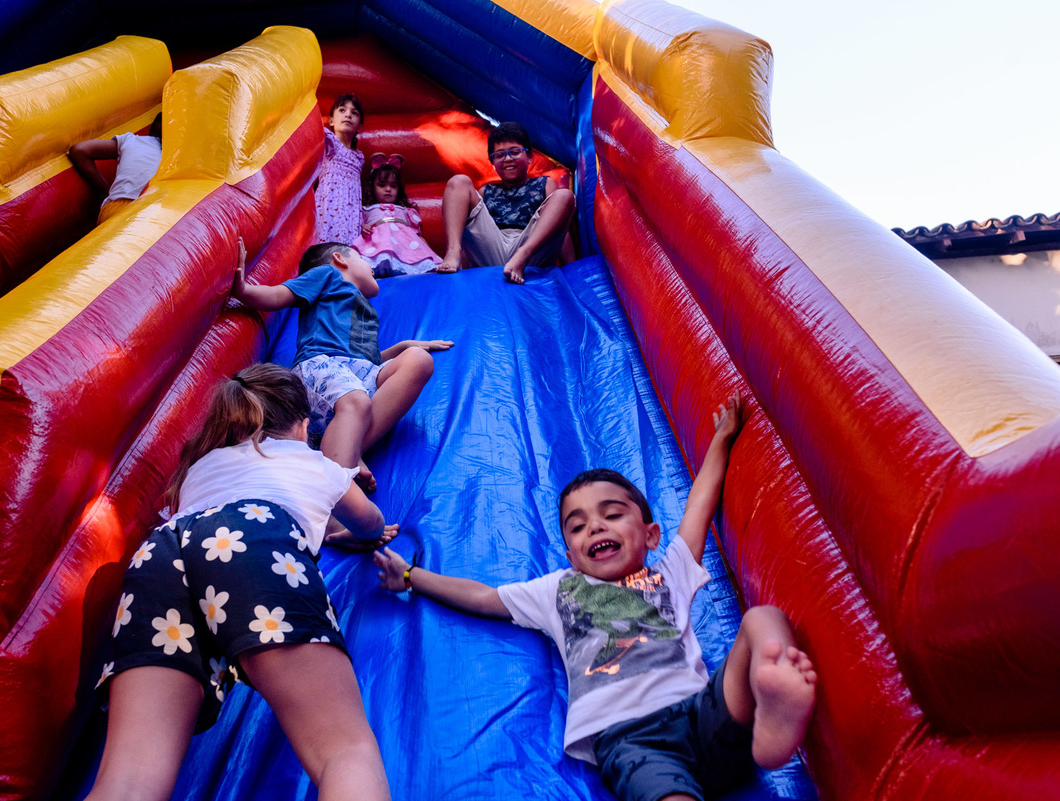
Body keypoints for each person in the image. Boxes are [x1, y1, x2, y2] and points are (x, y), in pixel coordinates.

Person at [374, 396, 818, 801]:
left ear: (650, 535)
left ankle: (772, 703)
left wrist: (721, 440)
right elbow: (484, 596)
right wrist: (411, 576)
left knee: (763, 618)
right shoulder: (558, 589)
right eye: (578, 525)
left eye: (612, 514)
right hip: (632, 738)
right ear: (570, 555)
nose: (596, 527)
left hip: (702, 711)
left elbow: (698, 507)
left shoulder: (671, 573)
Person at [88, 364, 395, 801]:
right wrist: (349, 532)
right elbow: (370, 522)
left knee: (130, 783)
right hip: (251, 539)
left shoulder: (199, 466)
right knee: (345, 751)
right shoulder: (314, 461)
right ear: (303, 426)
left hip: (160, 553)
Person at [231, 238, 452, 493]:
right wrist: (243, 290)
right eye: (363, 259)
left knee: (419, 360)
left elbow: (367, 361)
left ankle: (350, 447)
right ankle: (337, 487)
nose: (371, 267)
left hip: (357, 378)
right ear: (339, 259)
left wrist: (403, 347)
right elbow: (278, 294)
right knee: (357, 400)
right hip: (322, 365)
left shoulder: (366, 310)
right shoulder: (327, 275)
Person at [435, 121, 576, 285]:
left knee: (564, 195)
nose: (508, 159)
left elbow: (559, 229)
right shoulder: (486, 191)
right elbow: (476, 236)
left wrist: (572, 268)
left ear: (529, 157)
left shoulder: (544, 184)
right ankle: (453, 252)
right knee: (459, 181)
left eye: (515, 152)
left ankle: (521, 256)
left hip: (530, 252)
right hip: (493, 250)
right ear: (493, 162)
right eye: (500, 155)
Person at [353, 153, 441, 277]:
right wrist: (364, 228)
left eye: (393, 186)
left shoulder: (406, 211)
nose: (388, 189)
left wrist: (429, 253)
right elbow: (359, 226)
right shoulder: (366, 209)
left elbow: (417, 236)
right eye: (382, 185)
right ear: (372, 187)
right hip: (377, 245)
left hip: (405, 247)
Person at [69, 113, 163, 225]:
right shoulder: (175, 155)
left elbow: (79, 150)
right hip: (149, 211)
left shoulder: (132, 140)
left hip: (113, 209)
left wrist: (104, 190)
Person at [315, 93, 365, 245]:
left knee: (348, 248)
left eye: (354, 113)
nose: (348, 115)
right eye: (342, 110)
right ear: (331, 120)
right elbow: (316, 127)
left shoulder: (359, 157)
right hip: (329, 209)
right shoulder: (330, 144)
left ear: (359, 126)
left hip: (351, 214)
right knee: (327, 245)